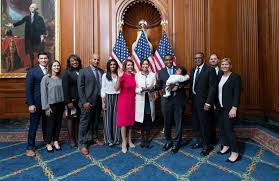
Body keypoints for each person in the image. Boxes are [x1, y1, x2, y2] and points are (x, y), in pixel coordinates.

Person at [156, 54, 187, 153]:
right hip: (166, 101)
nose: (168, 61)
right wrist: (151, 88)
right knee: (167, 122)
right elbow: (159, 85)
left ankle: (177, 142)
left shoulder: (179, 69)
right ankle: (168, 141)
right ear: (164, 61)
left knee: (179, 122)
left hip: (178, 100)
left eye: (170, 60)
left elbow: (186, 80)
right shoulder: (160, 72)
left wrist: (177, 85)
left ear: (173, 60)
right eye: (166, 60)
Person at [189, 52, 217, 156]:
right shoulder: (192, 71)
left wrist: (209, 102)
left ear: (203, 59)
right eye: (195, 58)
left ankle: (207, 145)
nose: (197, 60)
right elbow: (192, 85)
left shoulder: (210, 70)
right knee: (197, 123)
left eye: (199, 58)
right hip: (194, 102)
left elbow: (213, 88)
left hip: (205, 103)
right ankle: (199, 142)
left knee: (205, 124)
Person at [78, 53, 104, 155]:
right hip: (87, 103)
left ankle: (94, 138)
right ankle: (82, 144)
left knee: (96, 121)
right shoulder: (83, 71)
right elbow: (80, 88)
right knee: (84, 123)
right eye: (94, 59)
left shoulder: (101, 72)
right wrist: (84, 102)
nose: (96, 61)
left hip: (98, 101)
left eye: (98, 59)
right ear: (90, 60)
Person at [217, 58, 241, 163]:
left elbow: (237, 94)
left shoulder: (235, 77)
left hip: (229, 108)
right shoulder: (220, 76)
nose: (224, 66)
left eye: (226, 64)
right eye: (222, 64)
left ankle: (235, 152)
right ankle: (226, 146)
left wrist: (234, 108)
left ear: (230, 65)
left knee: (228, 130)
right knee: (222, 129)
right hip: (220, 108)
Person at [25, 52, 49, 157]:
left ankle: (47, 141)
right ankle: (30, 147)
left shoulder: (51, 71)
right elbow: (28, 89)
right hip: (36, 103)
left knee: (47, 124)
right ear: (38, 60)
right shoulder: (32, 71)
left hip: (48, 103)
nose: (44, 60)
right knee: (33, 125)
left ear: (48, 59)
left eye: (45, 58)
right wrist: (30, 104)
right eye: (41, 58)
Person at [41, 60, 64, 152]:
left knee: (58, 124)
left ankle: (55, 141)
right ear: (51, 67)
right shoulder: (46, 78)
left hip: (61, 104)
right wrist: (46, 107)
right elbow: (43, 94)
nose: (56, 67)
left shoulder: (61, 78)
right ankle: (48, 143)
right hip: (51, 105)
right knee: (50, 124)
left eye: (58, 66)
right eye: (54, 66)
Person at [115, 59, 136, 153]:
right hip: (123, 101)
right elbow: (116, 88)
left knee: (131, 122)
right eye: (128, 65)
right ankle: (124, 142)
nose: (130, 67)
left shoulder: (134, 76)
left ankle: (129, 140)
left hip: (132, 101)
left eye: (131, 65)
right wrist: (119, 78)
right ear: (125, 66)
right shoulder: (122, 76)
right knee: (123, 122)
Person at [135, 59, 157, 148]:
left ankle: (147, 139)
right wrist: (142, 89)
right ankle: (142, 139)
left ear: (149, 65)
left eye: (146, 64)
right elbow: (134, 88)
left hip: (149, 99)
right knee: (142, 121)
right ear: (141, 65)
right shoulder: (137, 75)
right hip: (140, 100)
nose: (145, 65)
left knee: (148, 120)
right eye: (143, 64)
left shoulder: (153, 75)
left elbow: (155, 86)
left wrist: (152, 89)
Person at [62, 54, 82, 147]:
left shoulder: (81, 71)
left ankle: (77, 137)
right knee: (70, 119)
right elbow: (65, 88)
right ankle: (71, 139)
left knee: (77, 119)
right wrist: (68, 101)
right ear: (69, 63)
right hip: (71, 100)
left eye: (76, 60)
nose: (75, 62)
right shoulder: (67, 73)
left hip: (80, 100)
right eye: (72, 61)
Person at [101, 59, 120, 146]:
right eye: (111, 64)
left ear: (116, 66)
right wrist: (103, 102)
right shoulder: (105, 75)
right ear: (108, 66)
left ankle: (116, 139)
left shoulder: (119, 75)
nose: (112, 66)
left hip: (117, 97)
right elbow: (103, 88)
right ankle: (108, 139)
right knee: (107, 119)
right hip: (108, 97)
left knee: (116, 119)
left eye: (114, 64)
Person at [208, 53, 222, 145]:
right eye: (211, 59)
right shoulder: (206, 71)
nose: (213, 60)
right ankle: (212, 140)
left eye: (215, 59)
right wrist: (210, 102)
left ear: (218, 60)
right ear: (209, 61)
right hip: (210, 101)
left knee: (222, 122)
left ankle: (223, 141)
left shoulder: (223, 71)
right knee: (210, 122)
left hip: (221, 101)